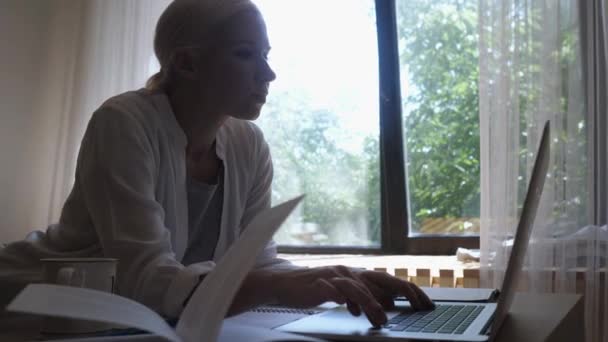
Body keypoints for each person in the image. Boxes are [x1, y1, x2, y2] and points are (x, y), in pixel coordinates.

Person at [0, 0, 433, 327]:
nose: (268, 74)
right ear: (186, 63)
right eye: (246, 54)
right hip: (31, 310)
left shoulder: (248, 145)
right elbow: (144, 280)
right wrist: (284, 286)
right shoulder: (123, 123)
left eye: (265, 54)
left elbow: (256, 267)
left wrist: (339, 277)